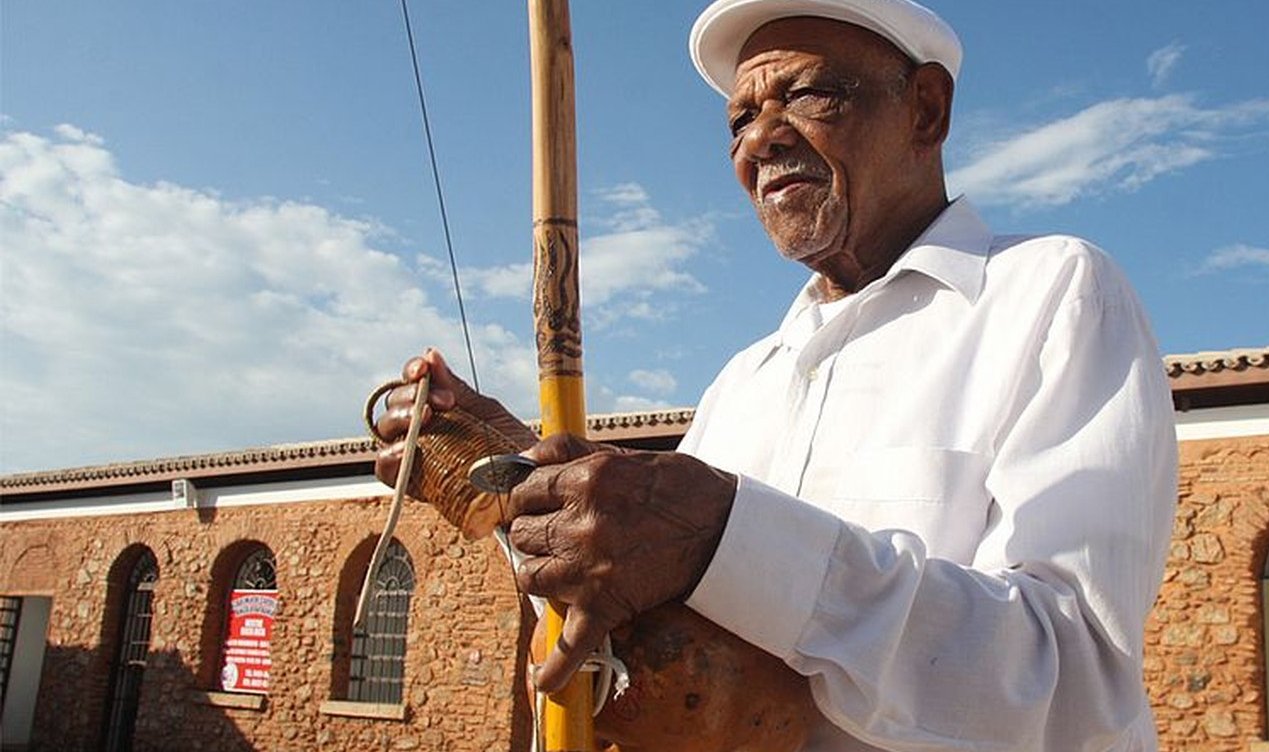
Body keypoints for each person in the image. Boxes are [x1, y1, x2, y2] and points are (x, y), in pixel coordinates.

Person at [375, 1, 1178, 749]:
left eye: (805, 95)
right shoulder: (745, 380)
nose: (761, 140)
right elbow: (645, 608)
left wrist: (728, 536)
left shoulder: (1053, 292)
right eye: (739, 120)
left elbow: (1073, 677)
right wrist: (518, 473)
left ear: (926, 109)